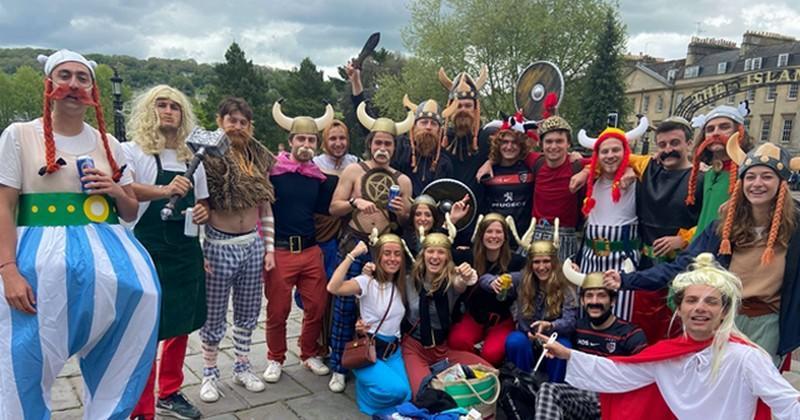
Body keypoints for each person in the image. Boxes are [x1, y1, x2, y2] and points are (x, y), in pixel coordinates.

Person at [0, 49, 159, 419]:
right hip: (38, 266)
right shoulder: (20, 135)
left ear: (93, 90)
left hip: (110, 261)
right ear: (49, 84)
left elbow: (130, 210)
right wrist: (8, 269)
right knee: (23, 362)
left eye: (82, 78)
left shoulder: (109, 144)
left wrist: (117, 190)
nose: (73, 84)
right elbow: (4, 205)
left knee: (131, 332)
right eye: (64, 76)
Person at [606, 135, 800, 365]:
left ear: (782, 184)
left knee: (753, 391)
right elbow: (684, 265)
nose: (757, 184)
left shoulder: (795, 228)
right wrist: (628, 280)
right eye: (751, 177)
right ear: (742, 182)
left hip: (767, 324)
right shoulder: (723, 226)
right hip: (723, 319)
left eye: (767, 177)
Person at [547, 253, 800, 419]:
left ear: (724, 312)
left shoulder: (747, 358)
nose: (700, 307)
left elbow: (787, 402)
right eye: (691, 300)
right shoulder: (666, 355)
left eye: (711, 302)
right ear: (679, 310)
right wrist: (569, 354)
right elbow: (620, 373)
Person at [124, 85, 206, 420]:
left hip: (185, 252)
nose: (169, 110)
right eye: (162, 104)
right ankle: (141, 407)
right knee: (145, 329)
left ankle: (170, 391)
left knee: (180, 324)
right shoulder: (132, 151)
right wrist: (164, 190)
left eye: (175, 105)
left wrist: (204, 213)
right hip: (147, 250)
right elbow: (124, 190)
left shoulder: (193, 158)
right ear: (149, 110)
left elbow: (202, 203)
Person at [326, 102, 414, 392]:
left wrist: (403, 210)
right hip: (354, 244)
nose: (382, 147)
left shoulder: (402, 180)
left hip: (384, 250)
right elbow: (334, 207)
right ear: (370, 144)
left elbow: (406, 221)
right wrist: (354, 202)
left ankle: (372, 358)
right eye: (378, 142)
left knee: (378, 309)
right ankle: (339, 366)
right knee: (343, 307)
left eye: (388, 143)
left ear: (394, 147)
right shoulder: (353, 171)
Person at [199, 97, 275, 402]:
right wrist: (199, 250)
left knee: (248, 311)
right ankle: (208, 373)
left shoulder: (259, 158)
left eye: (243, 122)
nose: (237, 126)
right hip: (218, 245)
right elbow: (199, 205)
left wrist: (269, 248)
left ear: (249, 125)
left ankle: (242, 365)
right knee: (214, 313)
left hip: (252, 245)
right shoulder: (205, 157)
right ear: (220, 121)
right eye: (232, 120)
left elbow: (265, 206)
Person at [264, 101, 337, 385]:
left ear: (316, 145)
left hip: (310, 250)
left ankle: (308, 353)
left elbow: (330, 205)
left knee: (317, 306)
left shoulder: (317, 178)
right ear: (290, 141)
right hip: (281, 250)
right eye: (301, 139)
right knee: (277, 310)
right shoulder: (272, 172)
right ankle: (274, 357)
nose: (306, 144)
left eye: (311, 140)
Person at [532, 261, 648, 419]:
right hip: (582, 397)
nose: (594, 302)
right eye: (589, 296)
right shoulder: (576, 327)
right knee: (548, 389)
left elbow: (644, 375)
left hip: (615, 400)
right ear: (582, 301)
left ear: (613, 301)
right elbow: (556, 342)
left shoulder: (631, 334)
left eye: (601, 296)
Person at [327, 235, 412, 415]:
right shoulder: (367, 281)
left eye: (397, 254)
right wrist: (353, 255)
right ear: (378, 257)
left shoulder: (403, 283)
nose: (392, 258)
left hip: (393, 351)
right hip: (368, 351)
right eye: (387, 253)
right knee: (397, 391)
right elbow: (333, 288)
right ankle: (368, 398)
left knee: (407, 395)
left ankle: (375, 391)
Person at [400, 228, 490, 396]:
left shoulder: (452, 281)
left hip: (442, 349)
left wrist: (466, 275)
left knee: (488, 372)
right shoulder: (408, 281)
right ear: (423, 255)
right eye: (431, 252)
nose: (435, 257)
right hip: (414, 347)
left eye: (441, 252)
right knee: (424, 392)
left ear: (447, 257)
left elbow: (462, 283)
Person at [575, 119, 648, 323]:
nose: (609, 156)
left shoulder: (638, 180)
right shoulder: (592, 181)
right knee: (588, 312)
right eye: (604, 152)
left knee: (621, 316)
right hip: (591, 258)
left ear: (626, 151)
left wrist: (633, 169)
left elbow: (653, 162)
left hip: (622, 260)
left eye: (615, 150)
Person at [499, 226, 578, 382]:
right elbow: (488, 280)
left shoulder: (566, 283)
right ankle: (521, 385)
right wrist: (495, 282)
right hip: (527, 337)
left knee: (563, 346)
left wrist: (550, 326)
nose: (541, 267)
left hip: (554, 337)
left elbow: (570, 321)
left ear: (554, 262)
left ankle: (555, 389)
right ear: (531, 264)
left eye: (546, 261)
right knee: (515, 340)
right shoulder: (522, 280)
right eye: (536, 262)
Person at [448, 213, 526, 366]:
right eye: (489, 231)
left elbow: (538, 269)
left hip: (501, 320)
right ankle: (472, 365)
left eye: (498, 232)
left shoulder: (516, 261)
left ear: (505, 237)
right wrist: (449, 223)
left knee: (491, 355)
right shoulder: (468, 255)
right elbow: (440, 250)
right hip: (474, 316)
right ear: (481, 234)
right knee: (457, 342)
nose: (494, 236)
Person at [685, 102, 752, 236]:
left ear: (739, 132)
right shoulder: (708, 173)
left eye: (724, 127)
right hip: (701, 248)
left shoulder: (750, 173)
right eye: (710, 129)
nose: (716, 133)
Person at [479, 114, 535, 236]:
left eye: (514, 142)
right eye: (505, 142)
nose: (509, 147)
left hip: (522, 240)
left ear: (521, 145)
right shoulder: (487, 171)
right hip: (494, 238)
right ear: (498, 145)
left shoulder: (530, 169)